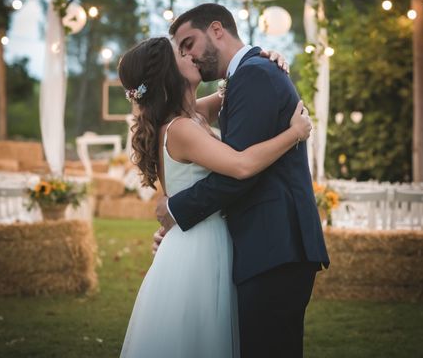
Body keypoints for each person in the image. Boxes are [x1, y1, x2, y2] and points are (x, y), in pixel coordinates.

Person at [118, 36, 312, 358]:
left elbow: (239, 88)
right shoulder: (181, 128)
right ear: (169, 72)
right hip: (199, 248)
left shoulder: (193, 114)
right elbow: (241, 165)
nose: (191, 55)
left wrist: (264, 59)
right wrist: (295, 133)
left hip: (203, 236)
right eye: (181, 53)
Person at [156, 3, 330, 358]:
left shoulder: (254, 74)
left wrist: (176, 210)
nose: (187, 55)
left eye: (189, 42)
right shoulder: (245, 76)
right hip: (267, 245)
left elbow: (239, 174)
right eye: (180, 50)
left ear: (217, 30)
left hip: (276, 244)